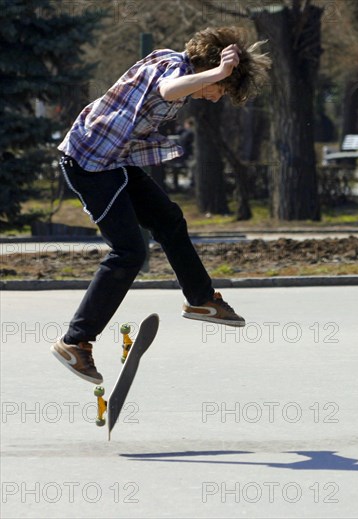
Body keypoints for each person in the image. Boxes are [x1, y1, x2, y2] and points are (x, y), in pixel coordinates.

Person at [51, 27, 271, 384]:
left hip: (113, 162)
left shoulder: (171, 65)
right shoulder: (174, 67)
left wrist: (219, 76)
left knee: (169, 219)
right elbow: (168, 90)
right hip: (89, 164)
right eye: (219, 90)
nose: (216, 97)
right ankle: (75, 342)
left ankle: (201, 299)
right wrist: (218, 73)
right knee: (129, 251)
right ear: (208, 70)